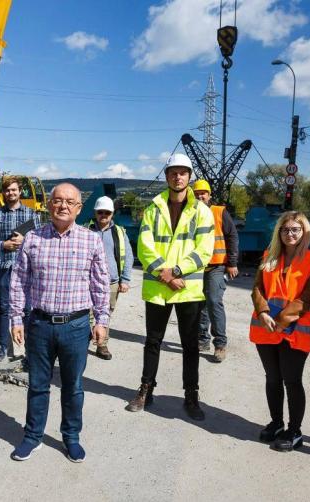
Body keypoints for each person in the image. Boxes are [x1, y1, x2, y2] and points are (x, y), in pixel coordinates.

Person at [8, 183, 110, 463]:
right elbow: (19, 280)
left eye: (70, 201)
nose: (63, 205)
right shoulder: (33, 238)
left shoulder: (91, 240)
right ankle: (32, 436)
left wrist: (102, 320)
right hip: (39, 325)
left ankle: (71, 437)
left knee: (73, 386)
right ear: (49, 204)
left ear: (79, 208)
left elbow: (100, 284)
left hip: (76, 327)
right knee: (38, 385)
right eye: (58, 200)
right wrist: (16, 318)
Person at [126, 153, 215, 420]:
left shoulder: (202, 211)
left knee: (190, 345)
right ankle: (146, 390)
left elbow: (204, 250)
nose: (178, 177)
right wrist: (165, 275)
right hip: (159, 288)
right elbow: (144, 247)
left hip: (186, 289)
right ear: (167, 176)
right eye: (173, 172)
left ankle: (191, 395)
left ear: (189, 177)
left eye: (183, 173)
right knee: (152, 342)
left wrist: (176, 271)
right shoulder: (153, 209)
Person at [249, 211, 310, 452]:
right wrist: (262, 312)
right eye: (285, 229)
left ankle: (294, 430)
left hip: (293, 331)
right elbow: (258, 288)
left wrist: (282, 321)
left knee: (292, 380)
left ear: (304, 232)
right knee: (272, 379)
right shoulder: (269, 257)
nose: (289, 234)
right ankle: (276, 423)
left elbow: (308, 297)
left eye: (295, 229)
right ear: (278, 232)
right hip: (266, 328)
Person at [0, 176, 39, 362]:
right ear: (3, 193)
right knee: (4, 307)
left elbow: (40, 240)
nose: (11, 193)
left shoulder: (31, 214)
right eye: (7, 190)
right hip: (4, 266)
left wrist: (25, 240)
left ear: (20, 191)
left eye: (14, 190)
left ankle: (29, 348)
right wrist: (3, 244)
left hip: (26, 267)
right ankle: (3, 346)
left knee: (27, 308)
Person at [192, 179, 239, 362]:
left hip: (216, 266)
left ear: (209, 194)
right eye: (196, 194)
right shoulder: (190, 213)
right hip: (197, 267)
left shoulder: (219, 211)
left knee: (213, 301)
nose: (200, 197)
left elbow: (232, 236)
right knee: (200, 304)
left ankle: (220, 344)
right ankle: (202, 340)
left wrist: (232, 263)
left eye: (203, 193)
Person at [85, 195, 134, 360]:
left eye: (107, 212)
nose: (103, 215)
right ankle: (82, 343)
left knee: (106, 313)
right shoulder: (86, 230)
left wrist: (125, 280)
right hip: (88, 281)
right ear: (95, 213)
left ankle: (102, 344)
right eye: (100, 212)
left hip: (111, 282)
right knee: (86, 314)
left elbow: (128, 256)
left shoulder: (119, 232)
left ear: (112, 214)